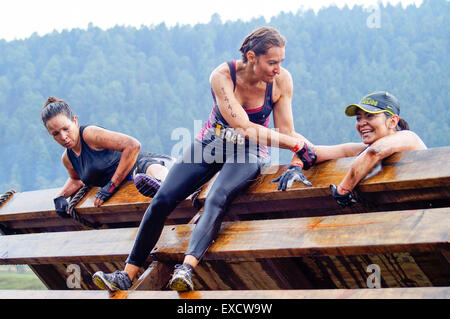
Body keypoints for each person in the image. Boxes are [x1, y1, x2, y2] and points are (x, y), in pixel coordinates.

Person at [92, 26, 318, 292]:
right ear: (251, 57)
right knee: (163, 199)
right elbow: (243, 126)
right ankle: (126, 275)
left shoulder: (281, 82)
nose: (278, 69)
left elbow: (285, 131)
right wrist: (296, 144)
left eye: (281, 62)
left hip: (250, 150)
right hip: (213, 141)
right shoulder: (222, 76)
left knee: (216, 197)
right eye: (272, 62)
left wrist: (299, 149)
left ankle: (186, 269)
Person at [272, 91, 427, 208]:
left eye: (370, 116)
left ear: (392, 121)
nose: (362, 123)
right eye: (359, 118)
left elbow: (375, 152)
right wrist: (296, 167)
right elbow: (311, 152)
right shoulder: (361, 150)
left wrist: (343, 189)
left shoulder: (408, 137)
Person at [41, 97, 172, 217]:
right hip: (128, 191)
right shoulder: (68, 159)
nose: (63, 137)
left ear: (75, 121)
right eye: (56, 133)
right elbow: (76, 180)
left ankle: (165, 187)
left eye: (66, 129)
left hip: (151, 166)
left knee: (147, 170)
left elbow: (133, 146)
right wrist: (60, 197)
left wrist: (112, 185)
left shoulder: (89, 134)